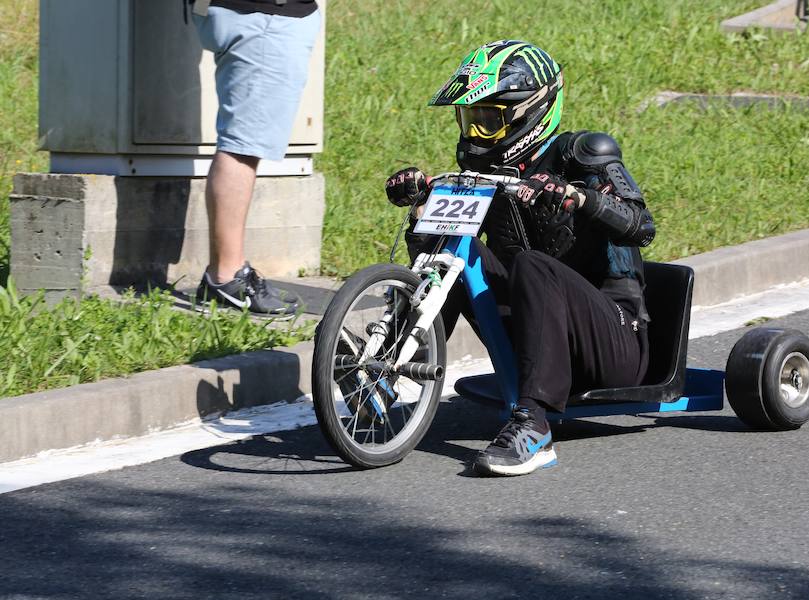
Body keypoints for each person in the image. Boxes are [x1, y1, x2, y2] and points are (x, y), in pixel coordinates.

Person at [385, 40, 656, 476]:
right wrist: (422, 212)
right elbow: (440, 267)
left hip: (615, 341)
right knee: (454, 244)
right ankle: (382, 377)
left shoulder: (585, 153)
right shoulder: (488, 174)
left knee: (531, 263)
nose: (474, 134)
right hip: (533, 329)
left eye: (488, 121)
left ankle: (536, 428)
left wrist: (577, 197)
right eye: (470, 120)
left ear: (530, 111)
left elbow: (641, 225)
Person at [190, 0, 321, 314]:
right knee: (241, 148)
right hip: (263, 19)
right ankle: (226, 278)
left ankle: (224, 274)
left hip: (254, 15)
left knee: (243, 144)